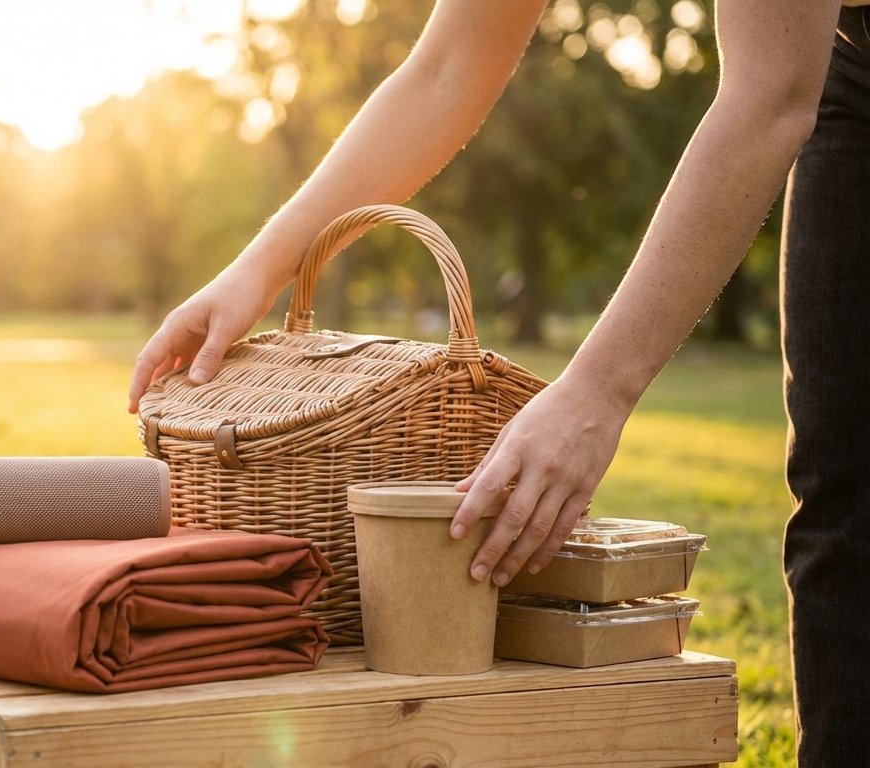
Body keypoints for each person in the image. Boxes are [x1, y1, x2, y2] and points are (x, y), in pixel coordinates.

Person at [126, 0, 868, 762]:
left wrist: (598, 390)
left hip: (798, 71)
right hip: (848, 60)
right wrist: (257, 271)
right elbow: (444, 70)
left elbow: (770, 96)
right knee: (843, 486)